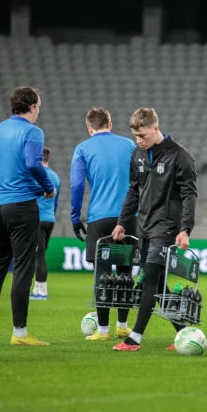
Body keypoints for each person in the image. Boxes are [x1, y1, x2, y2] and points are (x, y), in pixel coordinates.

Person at [0, 86, 56, 346]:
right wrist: (48, 188)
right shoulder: (32, 131)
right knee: (22, 268)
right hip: (22, 206)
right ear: (31, 107)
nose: (39, 111)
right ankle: (19, 333)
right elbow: (32, 163)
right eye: (38, 106)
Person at [112, 108, 197, 352]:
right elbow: (133, 191)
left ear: (156, 128)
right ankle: (183, 331)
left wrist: (185, 229)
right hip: (144, 227)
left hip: (167, 227)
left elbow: (189, 195)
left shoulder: (180, 156)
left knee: (149, 277)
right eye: (136, 136)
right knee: (158, 283)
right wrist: (121, 221)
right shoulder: (137, 154)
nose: (139, 140)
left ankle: (134, 338)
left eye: (143, 135)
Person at [71, 108, 136, 341]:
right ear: (110, 124)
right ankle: (123, 325)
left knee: (102, 273)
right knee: (125, 272)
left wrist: (74, 216)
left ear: (90, 129)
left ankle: (103, 331)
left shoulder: (82, 148)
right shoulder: (129, 144)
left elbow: (77, 185)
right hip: (128, 217)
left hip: (99, 217)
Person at [30, 147, 61, 300]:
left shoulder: (35, 174)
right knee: (40, 253)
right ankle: (36, 289)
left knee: (38, 255)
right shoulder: (55, 177)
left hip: (37, 219)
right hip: (50, 219)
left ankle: (42, 291)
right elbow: (56, 202)